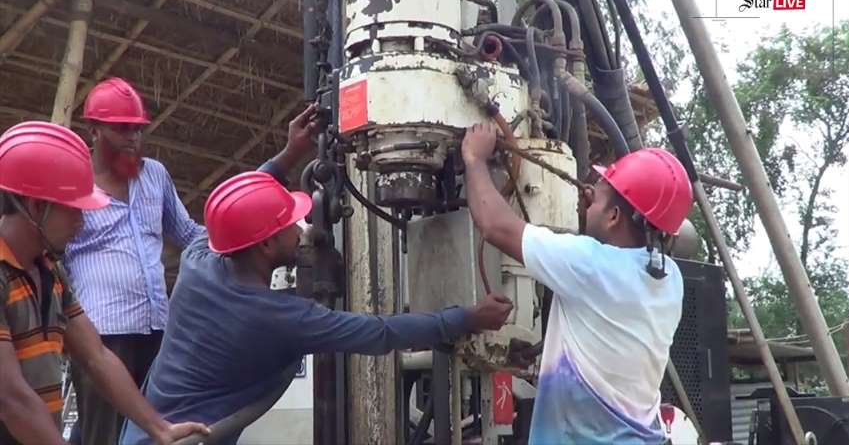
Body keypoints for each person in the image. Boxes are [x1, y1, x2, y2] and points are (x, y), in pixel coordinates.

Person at [120, 105, 515, 445]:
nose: (302, 226)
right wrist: (466, 318)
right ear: (265, 246)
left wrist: (289, 155)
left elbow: (235, 212)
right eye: (290, 223)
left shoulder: (198, 261)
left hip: (141, 434)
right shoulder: (276, 318)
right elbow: (380, 332)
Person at [462, 122, 693, 444]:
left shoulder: (588, 265)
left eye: (596, 203)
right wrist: (599, 205)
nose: (586, 206)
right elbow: (614, 249)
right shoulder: (671, 278)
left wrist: (474, 158)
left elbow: (494, 225)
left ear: (614, 217)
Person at [0, 121, 209, 444]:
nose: (82, 221)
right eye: (74, 210)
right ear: (37, 207)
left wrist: (159, 427)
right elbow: (11, 399)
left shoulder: (50, 272)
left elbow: (96, 356)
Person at [64, 77, 206, 444]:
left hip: (157, 328)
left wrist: (235, 237)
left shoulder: (154, 175)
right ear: (94, 130)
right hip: (101, 334)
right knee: (104, 433)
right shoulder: (73, 184)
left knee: (155, 429)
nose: (133, 139)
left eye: (138, 130)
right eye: (121, 129)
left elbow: (188, 234)